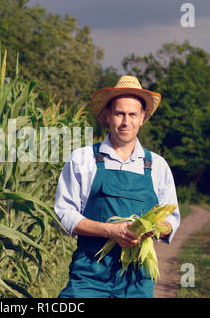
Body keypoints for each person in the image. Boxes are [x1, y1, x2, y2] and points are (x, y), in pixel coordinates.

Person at [55, 76, 180, 298]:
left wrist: (150, 228)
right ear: (107, 115)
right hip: (90, 273)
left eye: (132, 114)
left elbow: (172, 220)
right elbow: (64, 214)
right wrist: (110, 231)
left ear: (142, 117)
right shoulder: (83, 159)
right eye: (119, 113)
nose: (126, 122)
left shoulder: (157, 166)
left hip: (137, 278)